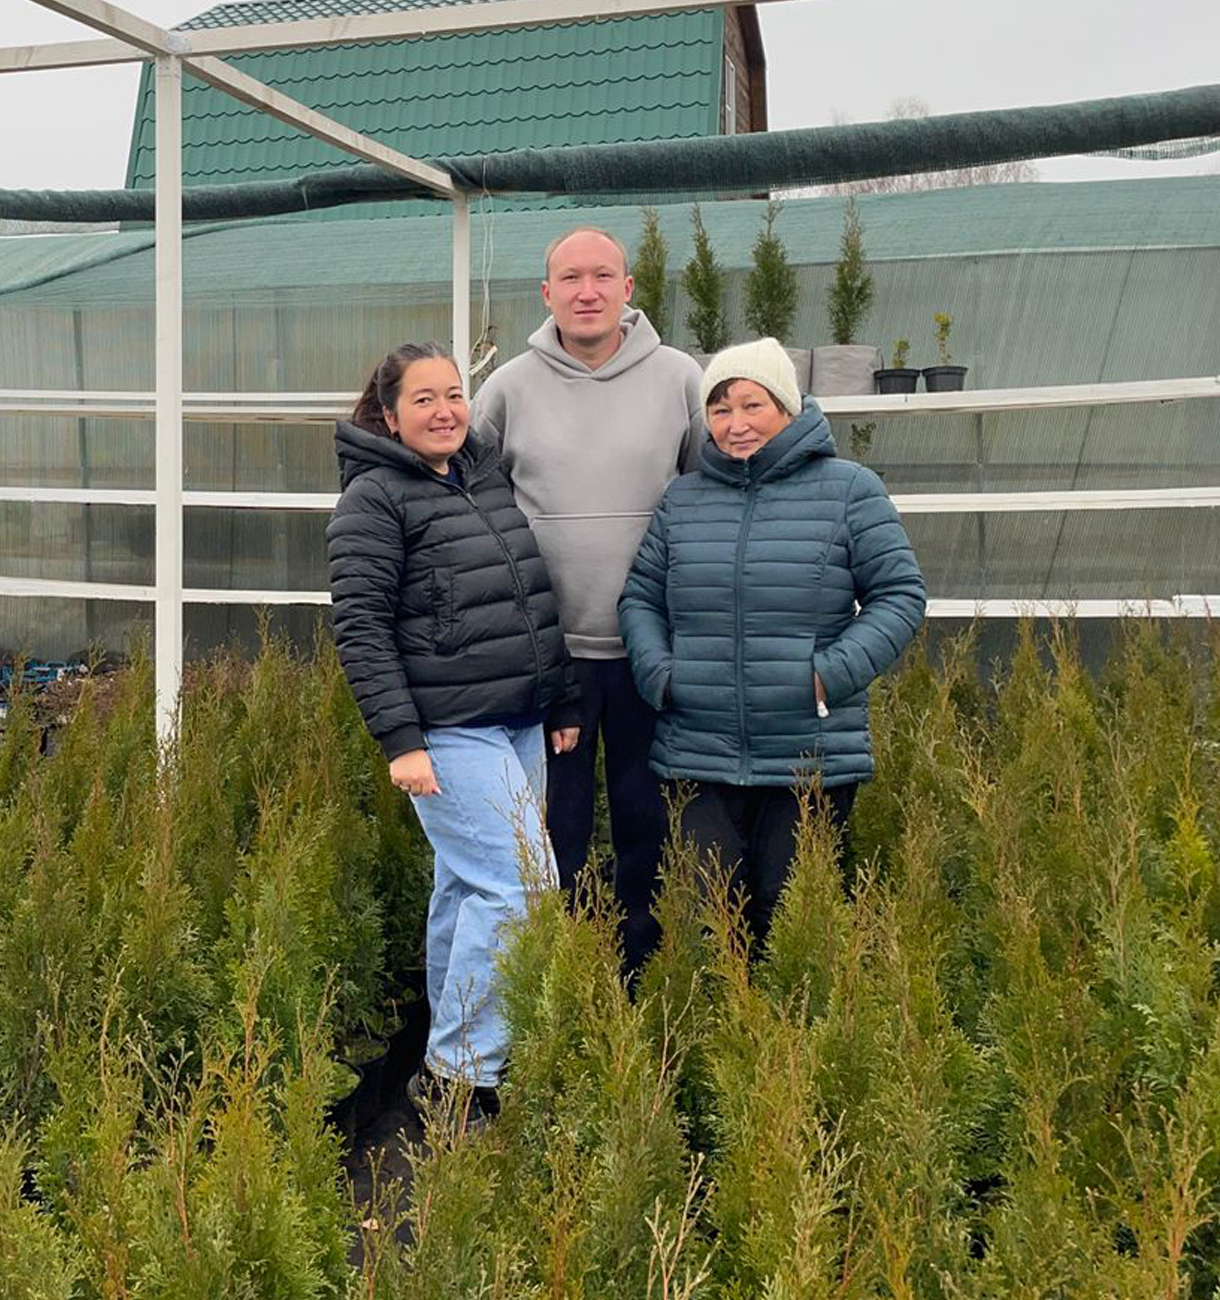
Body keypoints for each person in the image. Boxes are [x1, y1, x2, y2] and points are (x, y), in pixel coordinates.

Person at [326, 342, 580, 1122]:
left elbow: (527, 595)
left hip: (518, 721)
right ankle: (461, 1070)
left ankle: (449, 1045)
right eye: (424, 399)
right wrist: (401, 740)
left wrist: (562, 699)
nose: (444, 411)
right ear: (389, 413)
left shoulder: (478, 476)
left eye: (454, 395)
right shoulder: (374, 499)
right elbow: (362, 628)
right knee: (521, 887)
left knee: (467, 887)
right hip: (447, 728)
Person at [618, 337, 926, 948]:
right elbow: (640, 599)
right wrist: (663, 677)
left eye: (752, 405)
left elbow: (900, 596)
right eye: (720, 409)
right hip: (698, 751)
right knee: (711, 923)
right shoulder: (683, 500)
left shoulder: (850, 490)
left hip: (808, 754)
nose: (736, 425)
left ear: (787, 406)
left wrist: (828, 676)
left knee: (792, 929)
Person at [470, 226, 705, 978]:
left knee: (648, 818)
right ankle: (558, 971)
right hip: (547, 656)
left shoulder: (680, 379)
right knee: (552, 827)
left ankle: (644, 968)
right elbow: (470, 501)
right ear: (547, 294)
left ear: (628, 288)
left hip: (650, 650)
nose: (587, 291)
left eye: (603, 276)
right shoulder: (508, 388)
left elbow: (709, 490)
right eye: (570, 278)